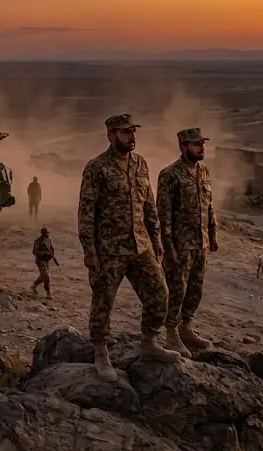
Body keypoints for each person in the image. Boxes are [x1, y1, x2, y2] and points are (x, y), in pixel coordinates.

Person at [78, 113, 182, 382]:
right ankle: (101, 352)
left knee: (160, 293)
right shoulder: (97, 168)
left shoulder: (140, 164)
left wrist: (156, 239)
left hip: (141, 245)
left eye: (133, 131)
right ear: (111, 136)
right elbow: (86, 212)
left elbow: (148, 204)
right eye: (126, 132)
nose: (132, 137)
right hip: (109, 249)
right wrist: (89, 250)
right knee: (103, 301)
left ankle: (149, 343)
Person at [156, 127, 218, 358]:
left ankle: (186, 326)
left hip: (200, 242)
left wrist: (212, 234)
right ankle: (171, 331)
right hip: (179, 245)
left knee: (195, 288)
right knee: (176, 289)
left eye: (202, 143)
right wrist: (168, 246)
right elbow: (164, 214)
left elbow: (209, 205)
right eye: (195, 144)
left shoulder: (204, 172)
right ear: (183, 147)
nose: (201, 147)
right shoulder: (170, 175)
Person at [31, 227, 56, 299]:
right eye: (46, 233)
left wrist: (50, 255)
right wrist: (44, 253)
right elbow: (34, 252)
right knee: (47, 276)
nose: (47, 234)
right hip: (40, 261)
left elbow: (52, 250)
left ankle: (33, 286)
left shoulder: (49, 241)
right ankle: (49, 293)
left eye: (48, 232)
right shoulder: (38, 241)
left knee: (43, 277)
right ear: (42, 233)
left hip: (46, 261)